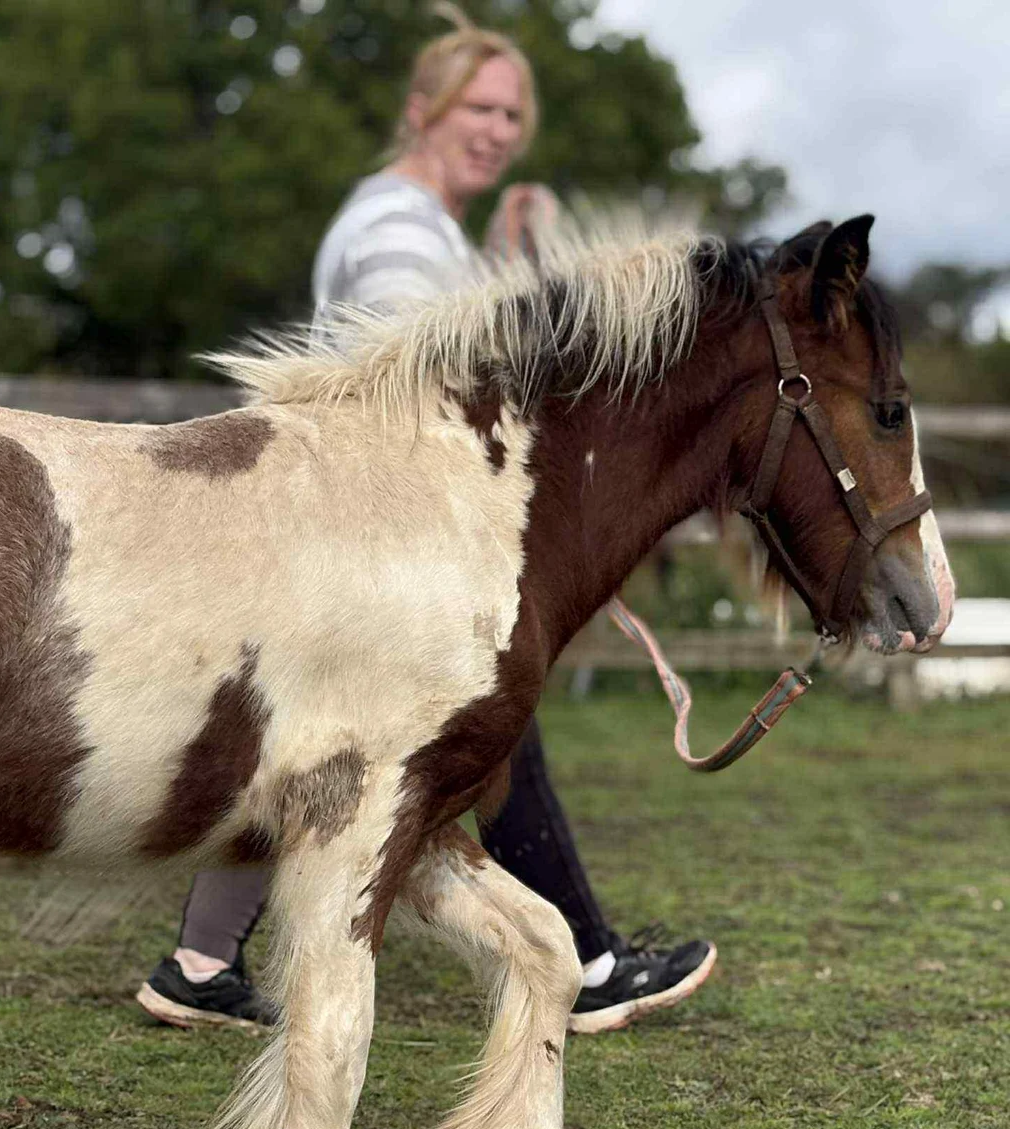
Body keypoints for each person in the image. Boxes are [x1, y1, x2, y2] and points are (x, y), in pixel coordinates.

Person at [136, 4, 716, 1038]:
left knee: (299, 746)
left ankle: (197, 966)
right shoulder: (396, 228)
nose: (498, 130)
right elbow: (426, 377)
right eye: (479, 108)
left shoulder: (418, 225)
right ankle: (586, 959)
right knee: (488, 719)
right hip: (366, 527)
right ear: (423, 110)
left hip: (341, 526)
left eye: (511, 114)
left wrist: (498, 260)